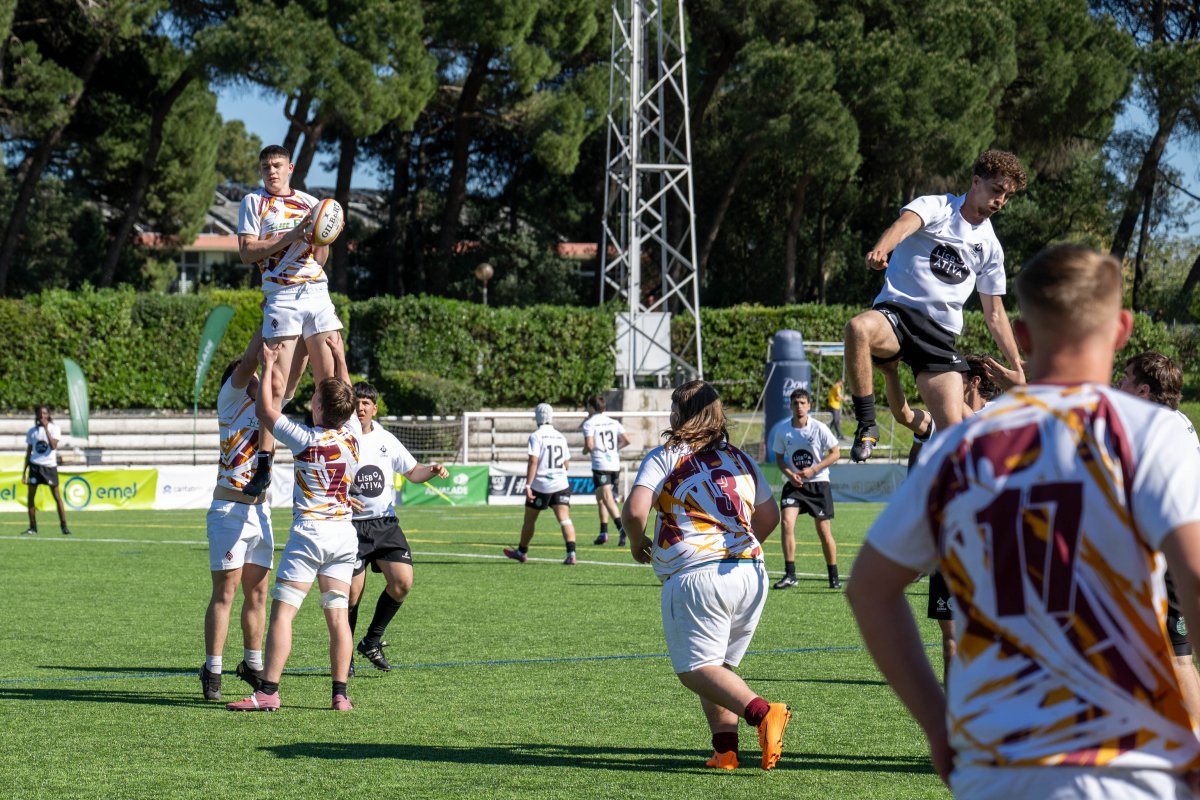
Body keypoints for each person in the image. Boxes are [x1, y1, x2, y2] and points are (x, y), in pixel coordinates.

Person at [847, 244, 1200, 797]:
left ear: (1022, 336)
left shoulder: (963, 445)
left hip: (999, 763)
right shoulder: (1152, 433)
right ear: (1121, 330)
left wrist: (938, 726)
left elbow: (869, 588)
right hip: (1129, 761)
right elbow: (1195, 579)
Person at [622, 380, 790, 771]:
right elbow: (769, 517)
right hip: (750, 572)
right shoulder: (741, 458)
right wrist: (738, 549)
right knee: (718, 668)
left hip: (698, 574)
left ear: (680, 414)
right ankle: (725, 751)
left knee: (695, 670)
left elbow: (634, 511)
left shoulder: (667, 455)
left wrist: (636, 541)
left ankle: (763, 713)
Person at [843, 150, 1027, 462]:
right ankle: (867, 424)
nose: (1000, 201)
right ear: (976, 182)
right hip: (897, 316)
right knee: (858, 328)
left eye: (1007, 196)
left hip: (940, 338)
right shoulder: (938, 206)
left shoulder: (991, 247)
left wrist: (1017, 366)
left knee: (955, 437)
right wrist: (881, 249)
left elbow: (995, 314)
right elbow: (903, 226)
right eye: (997, 190)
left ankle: (962, 490)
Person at [227, 335, 360, 712]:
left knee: (284, 613)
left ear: (319, 406)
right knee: (338, 617)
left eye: (315, 396)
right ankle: (340, 695)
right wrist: (339, 356)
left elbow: (265, 411)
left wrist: (270, 363)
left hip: (310, 535)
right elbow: (346, 397)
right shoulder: (353, 436)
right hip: (343, 535)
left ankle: (268, 692)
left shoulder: (305, 438)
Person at [884, 353, 1000, 685]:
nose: (941, 384)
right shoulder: (940, 417)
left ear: (972, 382)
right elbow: (905, 415)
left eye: (950, 378)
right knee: (951, 643)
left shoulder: (997, 415)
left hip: (989, 545)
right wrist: (890, 373)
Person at [236, 144, 344, 496]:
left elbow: (320, 257)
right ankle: (264, 465)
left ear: (290, 168)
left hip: (316, 293)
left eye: (278, 165)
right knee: (276, 385)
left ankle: (333, 456)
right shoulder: (253, 202)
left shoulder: (311, 203)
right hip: (281, 297)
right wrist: (293, 234)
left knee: (329, 384)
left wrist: (325, 237)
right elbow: (247, 252)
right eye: (266, 166)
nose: (272, 171)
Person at [1116, 350, 1200, 725]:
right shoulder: (1177, 421)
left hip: (1167, 551)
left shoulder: (1147, 428)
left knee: (1177, 659)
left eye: (1125, 378)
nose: (1119, 383)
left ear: (1144, 391)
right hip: (1177, 546)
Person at [347, 381, 448, 673]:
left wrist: (432, 470)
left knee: (402, 582)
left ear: (374, 409)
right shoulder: (342, 437)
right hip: (351, 526)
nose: (360, 408)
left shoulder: (386, 439)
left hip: (384, 524)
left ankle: (371, 641)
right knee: (351, 595)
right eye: (356, 402)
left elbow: (413, 471)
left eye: (366, 403)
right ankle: (345, 655)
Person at [200, 331, 273, 701]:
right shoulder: (229, 401)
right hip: (229, 512)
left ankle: (252, 664)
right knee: (225, 592)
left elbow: (287, 376)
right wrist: (269, 318)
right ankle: (212, 670)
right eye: (250, 379)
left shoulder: (267, 410)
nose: (256, 382)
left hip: (261, 512)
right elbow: (249, 362)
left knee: (258, 593)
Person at [770, 388, 841, 590]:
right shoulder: (783, 431)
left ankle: (833, 576)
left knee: (824, 531)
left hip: (819, 483)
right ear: (791, 406)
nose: (799, 406)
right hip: (795, 485)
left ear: (809, 405)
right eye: (796, 403)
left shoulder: (819, 428)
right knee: (786, 523)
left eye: (803, 403)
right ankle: (790, 574)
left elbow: (836, 453)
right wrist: (790, 474)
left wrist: (814, 469)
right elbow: (779, 458)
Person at [503, 404, 578, 565]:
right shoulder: (561, 437)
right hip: (560, 484)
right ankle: (571, 554)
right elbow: (566, 464)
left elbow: (533, 461)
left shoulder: (536, 436)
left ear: (537, 417)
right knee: (565, 519)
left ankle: (522, 551)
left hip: (541, 485)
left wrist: (528, 485)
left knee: (529, 520)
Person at [581, 395, 630, 546]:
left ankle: (622, 528)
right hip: (614, 464)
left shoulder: (589, 423)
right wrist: (614, 450)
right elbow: (626, 440)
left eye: (587, 406)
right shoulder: (614, 422)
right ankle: (603, 533)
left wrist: (584, 451)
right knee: (600, 498)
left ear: (591, 407)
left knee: (607, 498)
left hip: (601, 465)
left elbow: (589, 445)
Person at [21, 405, 70, 536]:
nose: (42, 416)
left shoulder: (55, 428)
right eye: (40, 413)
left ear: (48, 415)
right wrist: (24, 472)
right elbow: (29, 452)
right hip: (35, 467)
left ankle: (64, 526)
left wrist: (46, 429)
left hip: (49, 467)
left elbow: (53, 446)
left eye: (44, 413)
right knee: (31, 497)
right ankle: (33, 527)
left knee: (57, 497)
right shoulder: (32, 431)